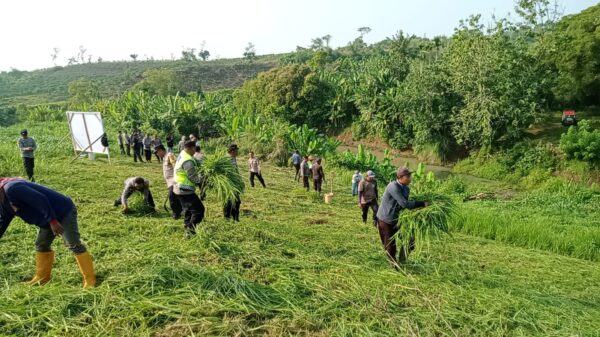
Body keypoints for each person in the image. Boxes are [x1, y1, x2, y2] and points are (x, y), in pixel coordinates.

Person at [0, 178, 96, 288]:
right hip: (47, 218)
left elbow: (41, 200)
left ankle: (90, 279)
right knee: (41, 245)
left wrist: (53, 221)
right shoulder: (3, 202)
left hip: (62, 212)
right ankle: (42, 277)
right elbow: (3, 220)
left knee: (73, 243)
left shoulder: (12, 189)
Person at [376, 167, 429, 266]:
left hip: (397, 219)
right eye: (408, 176)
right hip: (386, 220)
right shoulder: (393, 187)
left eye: (410, 176)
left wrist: (417, 210)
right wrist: (422, 204)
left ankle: (402, 259)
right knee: (390, 245)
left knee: (410, 239)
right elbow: (405, 204)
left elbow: (404, 205)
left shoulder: (406, 188)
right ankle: (394, 264)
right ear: (400, 177)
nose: (410, 178)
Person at [173, 140, 205, 237]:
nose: (195, 151)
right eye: (194, 148)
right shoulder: (187, 161)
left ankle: (187, 226)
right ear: (191, 148)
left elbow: (197, 162)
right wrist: (203, 180)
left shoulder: (183, 154)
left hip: (179, 188)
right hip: (185, 189)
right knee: (199, 210)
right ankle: (190, 231)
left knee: (188, 210)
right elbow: (193, 177)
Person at [154, 145, 182, 220]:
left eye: (157, 152)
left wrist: (176, 180)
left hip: (174, 181)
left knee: (172, 197)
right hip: (169, 181)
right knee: (176, 197)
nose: (157, 154)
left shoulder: (170, 155)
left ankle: (176, 213)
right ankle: (180, 210)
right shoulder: (164, 157)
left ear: (160, 150)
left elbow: (176, 166)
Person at [224, 144, 242, 221]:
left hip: (235, 182)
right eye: (236, 150)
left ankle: (234, 216)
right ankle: (228, 217)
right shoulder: (226, 159)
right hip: (229, 183)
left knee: (235, 201)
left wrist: (239, 179)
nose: (238, 152)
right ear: (232, 151)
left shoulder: (233, 158)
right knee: (230, 201)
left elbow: (236, 169)